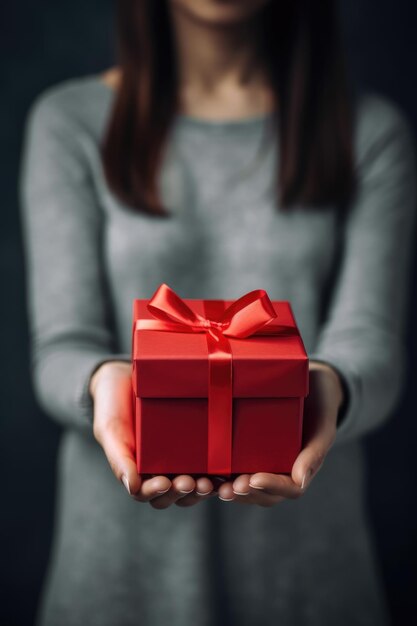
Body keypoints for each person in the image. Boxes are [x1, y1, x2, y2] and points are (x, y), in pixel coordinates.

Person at [19, 1, 416, 625]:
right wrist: (104, 382)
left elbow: (373, 340)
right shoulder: (70, 120)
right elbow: (63, 343)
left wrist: (326, 389)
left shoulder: (367, 129)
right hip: (118, 578)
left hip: (311, 573)